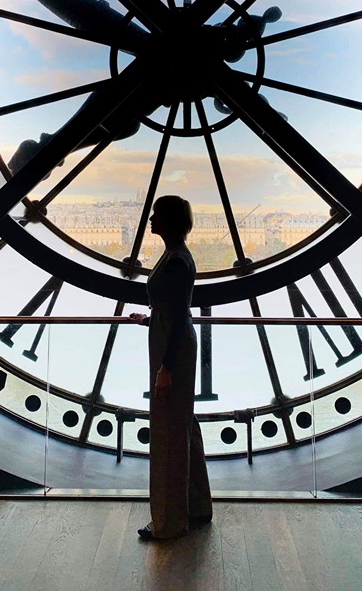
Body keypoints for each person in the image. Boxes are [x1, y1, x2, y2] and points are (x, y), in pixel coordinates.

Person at [129, 195, 212, 540]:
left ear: (168, 221)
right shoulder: (180, 258)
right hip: (174, 345)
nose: (151, 219)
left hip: (169, 349)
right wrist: (152, 320)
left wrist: (164, 367)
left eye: (156, 215)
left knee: (167, 433)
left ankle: (168, 521)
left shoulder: (172, 260)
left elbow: (175, 316)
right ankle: (193, 508)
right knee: (181, 426)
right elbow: (179, 312)